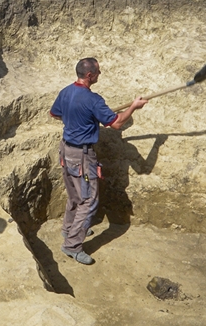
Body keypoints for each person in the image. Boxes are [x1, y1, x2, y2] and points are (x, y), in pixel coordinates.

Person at [50, 58, 147, 265]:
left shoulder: (66, 91)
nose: (100, 75)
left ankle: (69, 229)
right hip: (82, 157)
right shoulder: (93, 100)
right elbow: (117, 123)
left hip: (66, 150)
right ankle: (72, 245)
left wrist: (80, 118)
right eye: (98, 72)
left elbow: (55, 114)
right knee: (89, 201)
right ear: (89, 76)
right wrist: (134, 107)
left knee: (75, 195)